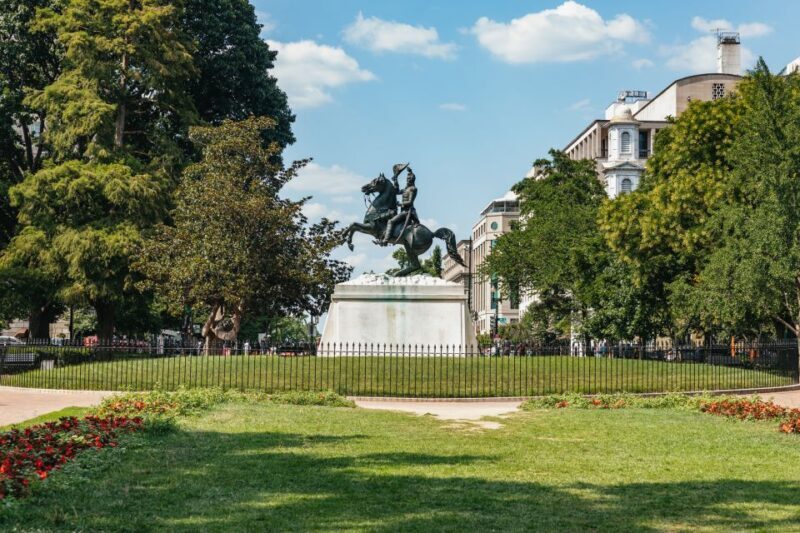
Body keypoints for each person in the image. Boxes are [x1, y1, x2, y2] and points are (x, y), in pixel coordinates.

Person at [383, 165, 419, 244]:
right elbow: (396, 191)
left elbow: (410, 202)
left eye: (410, 179)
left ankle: (385, 240)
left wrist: (399, 204)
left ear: (413, 180)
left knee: (390, 221)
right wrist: (396, 180)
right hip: (403, 211)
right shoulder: (406, 189)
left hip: (407, 212)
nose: (408, 180)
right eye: (407, 179)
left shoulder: (413, 189)